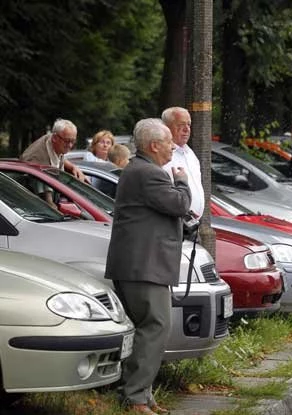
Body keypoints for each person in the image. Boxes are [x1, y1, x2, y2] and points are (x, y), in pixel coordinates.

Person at [105, 118, 190, 415]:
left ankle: (140, 393)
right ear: (154, 145)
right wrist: (182, 180)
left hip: (140, 265)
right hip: (144, 266)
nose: (172, 147)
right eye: (168, 142)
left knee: (149, 327)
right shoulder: (149, 173)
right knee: (155, 326)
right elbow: (180, 205)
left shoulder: (139, 170)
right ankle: (135, 398)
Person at [20, 118, 86, 206]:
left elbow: (58, 158)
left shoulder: (53, 141)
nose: (70, 145)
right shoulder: (39, 163)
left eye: (73, 141)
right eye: (67, 141)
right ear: (54, 137)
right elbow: (48, 203)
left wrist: (72, 167)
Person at [162, 107, 204, 218]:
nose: (186, 129)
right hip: (173, 223)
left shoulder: (190, 153)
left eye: (189, 125)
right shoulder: (162, 155)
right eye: (181, 124)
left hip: (191, 226)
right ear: (166, 127)